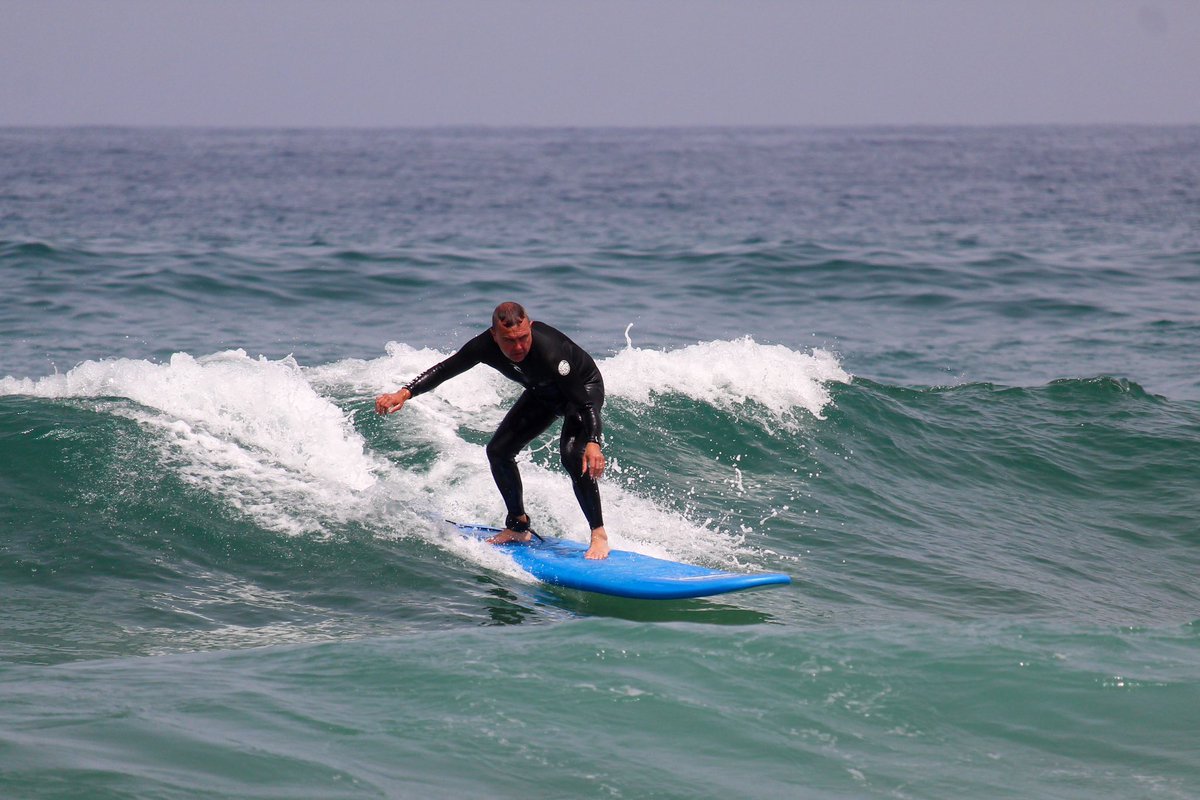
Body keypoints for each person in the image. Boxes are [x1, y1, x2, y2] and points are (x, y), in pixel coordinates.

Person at [375, 302, 610, 559]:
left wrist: (593, 441)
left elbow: (584, 404)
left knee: (571, 455)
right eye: (509, 341)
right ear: (494, 335)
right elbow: (446, 369)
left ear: (530, 327)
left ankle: (598, 535)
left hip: (582, 392)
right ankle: (518, 526)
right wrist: (405, 392)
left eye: (523, 338)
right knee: (498, 451)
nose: (518, 347)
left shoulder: (551, 352)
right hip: (543, 394)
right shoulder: (483, 346)